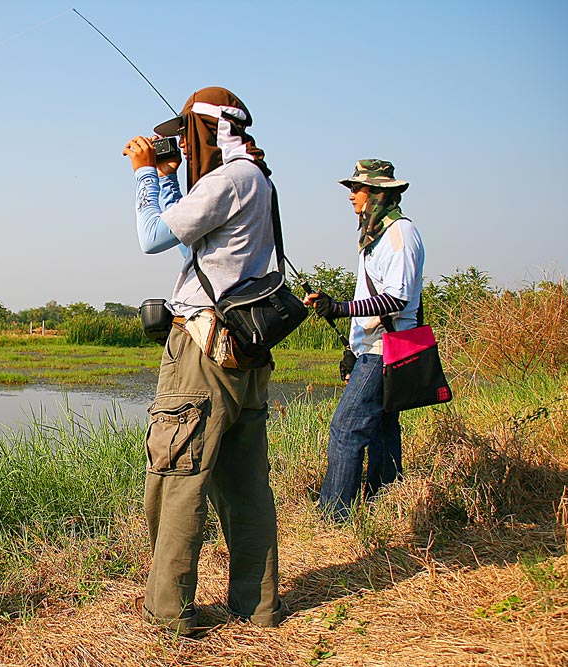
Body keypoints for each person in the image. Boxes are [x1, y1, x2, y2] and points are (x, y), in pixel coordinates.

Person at [122, 86, 282, 635]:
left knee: (178, 475)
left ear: (205, 130)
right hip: (247, 351)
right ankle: (256, 605)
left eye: (186, 137)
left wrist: (146, 171)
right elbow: (186, 227)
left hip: (203, 350)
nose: (183, 148)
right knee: (244, 484)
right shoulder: (257, 179)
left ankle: (171, 611)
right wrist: (171, 172)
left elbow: (152, 236)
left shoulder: (226, 181)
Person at [304, 159, 425, 523]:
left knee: (346, 427)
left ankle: (334, 516)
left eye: (357, 189)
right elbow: (374, 302)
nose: (352, 196)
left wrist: (339, 308)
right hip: (373, 347)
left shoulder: (398, 236)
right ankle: (386, 502)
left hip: (386, 350)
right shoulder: (375, 237)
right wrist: (352, 348)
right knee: (382, 427)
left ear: (378, 193)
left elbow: (397, 300)